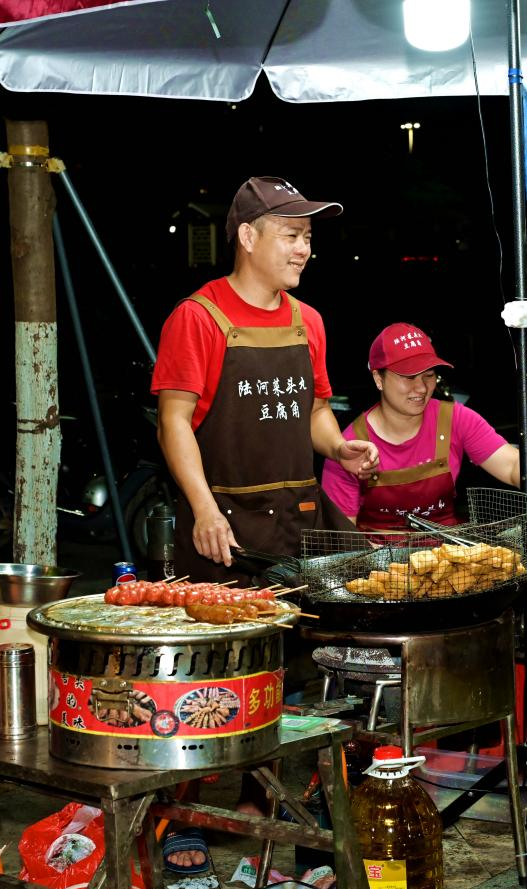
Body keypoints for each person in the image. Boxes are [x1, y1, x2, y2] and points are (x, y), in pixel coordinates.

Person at [153, 176, 379, 585]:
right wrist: (204, 509)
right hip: (225, 532)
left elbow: (316, 409)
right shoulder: (198, 317)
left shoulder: (308, 321)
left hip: (299, 523)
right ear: (247, 237)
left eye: (307, 237)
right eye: (291, 235)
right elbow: (173, 423)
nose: (303, 249)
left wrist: (337, 447)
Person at [321, 323, 527, 530]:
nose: (421, 388)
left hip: (446, 555)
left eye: (428, 375)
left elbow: (511, 464)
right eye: (408, 377)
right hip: (378, 560)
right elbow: (343, 538)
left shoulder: (456, 418)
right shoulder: (350, 448)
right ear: (378, 379)